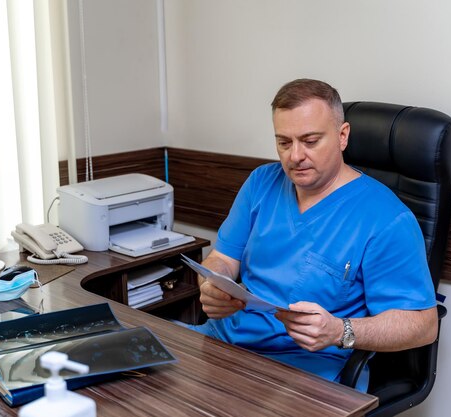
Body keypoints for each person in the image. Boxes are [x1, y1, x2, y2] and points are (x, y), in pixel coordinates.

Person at [188, 78, 438, 391]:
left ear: (342, 136)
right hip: (221, 344)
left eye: (310, 140)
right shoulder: (261, 183)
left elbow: (423, 326)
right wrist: (212, 285)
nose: (295, 156)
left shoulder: (386, 218)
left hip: (305, 371)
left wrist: (339, 331)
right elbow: (222, 259)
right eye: (284, 142)